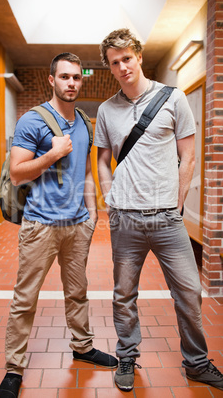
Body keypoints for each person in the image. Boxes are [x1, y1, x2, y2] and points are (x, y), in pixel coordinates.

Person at [94, 28, 223, 392]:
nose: (122, 67)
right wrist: (110, 196)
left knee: (189, 292)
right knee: (124, 294)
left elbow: (188, 156)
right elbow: (103, 160)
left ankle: (196, 363)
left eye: (127, 59)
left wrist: (178, 203)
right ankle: (127, 357)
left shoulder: (173, 98)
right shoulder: (106, 110)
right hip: (126, 219)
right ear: (110, 68)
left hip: (167, 217)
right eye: (114, 63)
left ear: (138, 56)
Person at [0, 52, 118, 398]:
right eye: (64, 77)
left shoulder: (83, 121)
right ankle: (13, 367)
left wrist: (93, 214)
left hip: (77, 226)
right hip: (40, 227)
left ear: (82, 80)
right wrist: (52, 154)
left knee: (78, 293)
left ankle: (82, 346)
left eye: (76, 78)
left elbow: (85, 172)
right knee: (25, 299)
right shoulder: (32, 121)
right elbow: (18, 173)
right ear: (52, 80)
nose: (71, 83)